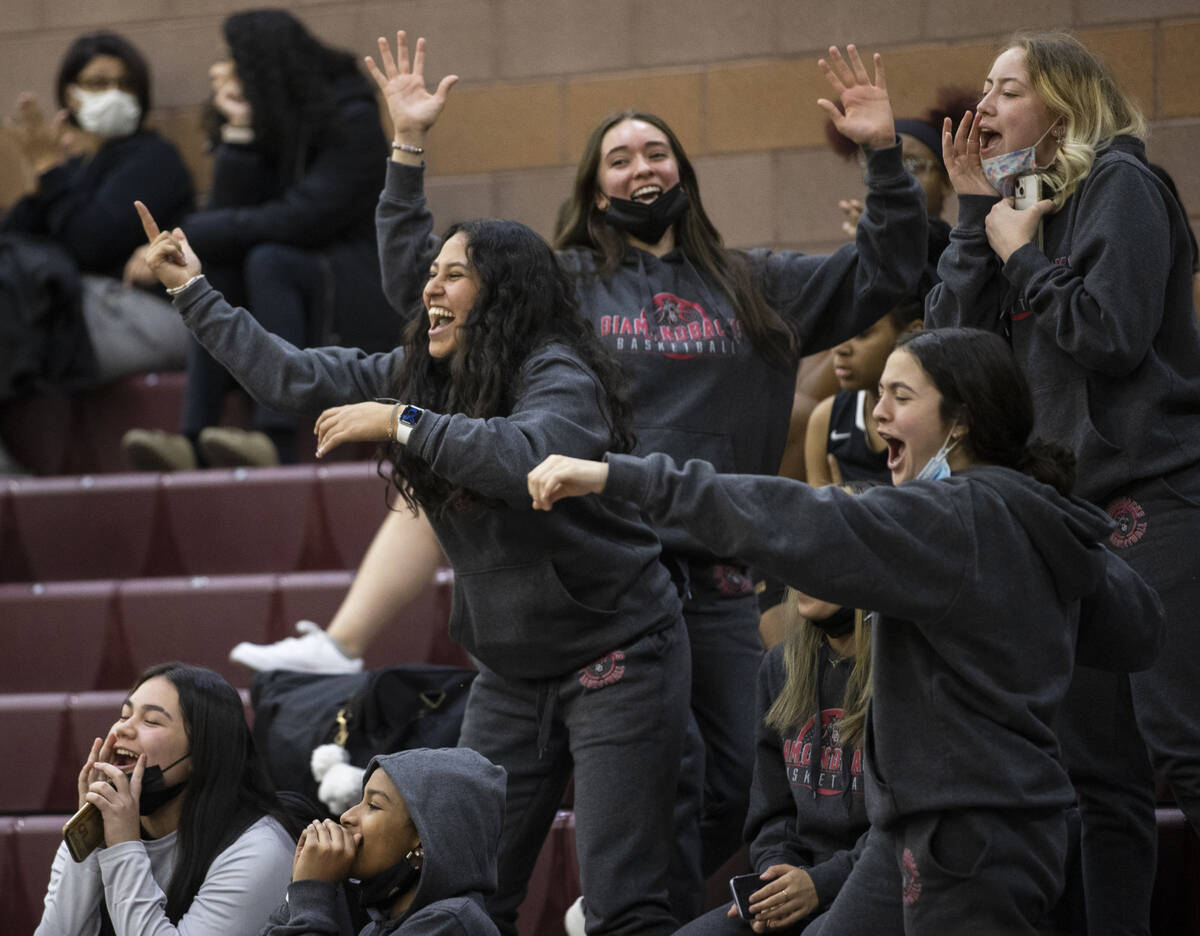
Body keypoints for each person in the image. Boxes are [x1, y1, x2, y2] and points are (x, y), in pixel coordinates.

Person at [230, 34, 926, 903]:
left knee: (730, 786)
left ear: (683, 172)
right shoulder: (560, 288)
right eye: (618, 156)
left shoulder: (758, 286)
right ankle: (624, 908)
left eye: (656, 151)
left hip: (711, 567)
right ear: (595, 187)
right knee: (634, 794)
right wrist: (406, 151)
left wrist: (882, 154)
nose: (640, 167)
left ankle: (639, 907)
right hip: (603, 561)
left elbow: (892, 269)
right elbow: (427, 289)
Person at [136, 201, 693, 936]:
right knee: (453, 884)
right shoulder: (423, 376)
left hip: (618, 654)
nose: (431, 289)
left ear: (504, 294)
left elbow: (529, 457)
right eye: (431, 274)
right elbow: (291, 375)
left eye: (453, 275)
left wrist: (400, 421)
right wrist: (192, 292)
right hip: (510, 669)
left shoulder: (560, 374)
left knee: (622, 902)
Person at [527, 326, 1165, 935]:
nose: (875, 414)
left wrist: (619, 476)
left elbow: (793, 515)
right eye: (878, 392)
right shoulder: (1027, 511)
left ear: (962, 419)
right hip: (930, 829)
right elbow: (1138, 629)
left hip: (973, 830)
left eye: (900, 397)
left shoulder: (953, 514)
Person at [925, 31, 1200, 936]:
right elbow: (953, 354)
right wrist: (975, 217)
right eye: (989, 90)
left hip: (1152, 498)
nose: (986, 107)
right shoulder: (1024, 205)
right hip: (1068, 518)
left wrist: (1022, 258)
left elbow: (1111, 335)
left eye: (1009, 89)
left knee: (1186, 750)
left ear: (1066, 104)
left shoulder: (1124, 186)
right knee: (1100, 783)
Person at [121, 9, 399, 472]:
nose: (221, 70)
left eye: (232, 59)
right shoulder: (277, 118)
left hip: (355, 289)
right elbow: (233, 217)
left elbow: (303, 219)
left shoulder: (350, 118)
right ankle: (193, 438)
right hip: (293, 278)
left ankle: (275, 438)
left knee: (269, 258)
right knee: (226, 265)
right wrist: (240, 135)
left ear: (264, 64)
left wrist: (190, 234)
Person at [0, 30, 194, 473]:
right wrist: (46, 177)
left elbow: (89, 242)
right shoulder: (73, 168)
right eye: (98, 83)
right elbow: (16, 243)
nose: (114, 95)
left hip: (148, 317)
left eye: (125, 85)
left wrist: (51, 173)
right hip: (84, 310)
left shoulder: (154, 159)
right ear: (70, 93)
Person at [35, 662, 299, 936]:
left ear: (202, 753)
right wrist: (92, 841)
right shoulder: (106, 822)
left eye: (151, 721)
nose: (123, 730)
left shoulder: (259, 849)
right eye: (124, 716)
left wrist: (124, 847)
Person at [677, 587, 873, 936]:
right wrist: (776, 878)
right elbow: (771, 813)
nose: (800, 578)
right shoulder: (780, 666)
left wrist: (820, 884)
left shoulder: (902, 675)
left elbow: (902, 835)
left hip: (874, 886)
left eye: (817, 561)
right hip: (799, 885)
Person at [263, 747, 504, 936]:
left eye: (373, 805)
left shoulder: (449, 923)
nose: (346, 816)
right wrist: (299, 889)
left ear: (424, 837)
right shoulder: (380, 926)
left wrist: (312, 891)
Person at [804, 298, 922, 487]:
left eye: (861, 334)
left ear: (912, 333)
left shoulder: (932, 421)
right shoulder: (825, 419)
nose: (839, 348)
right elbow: (816, 513)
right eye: (838, 332)